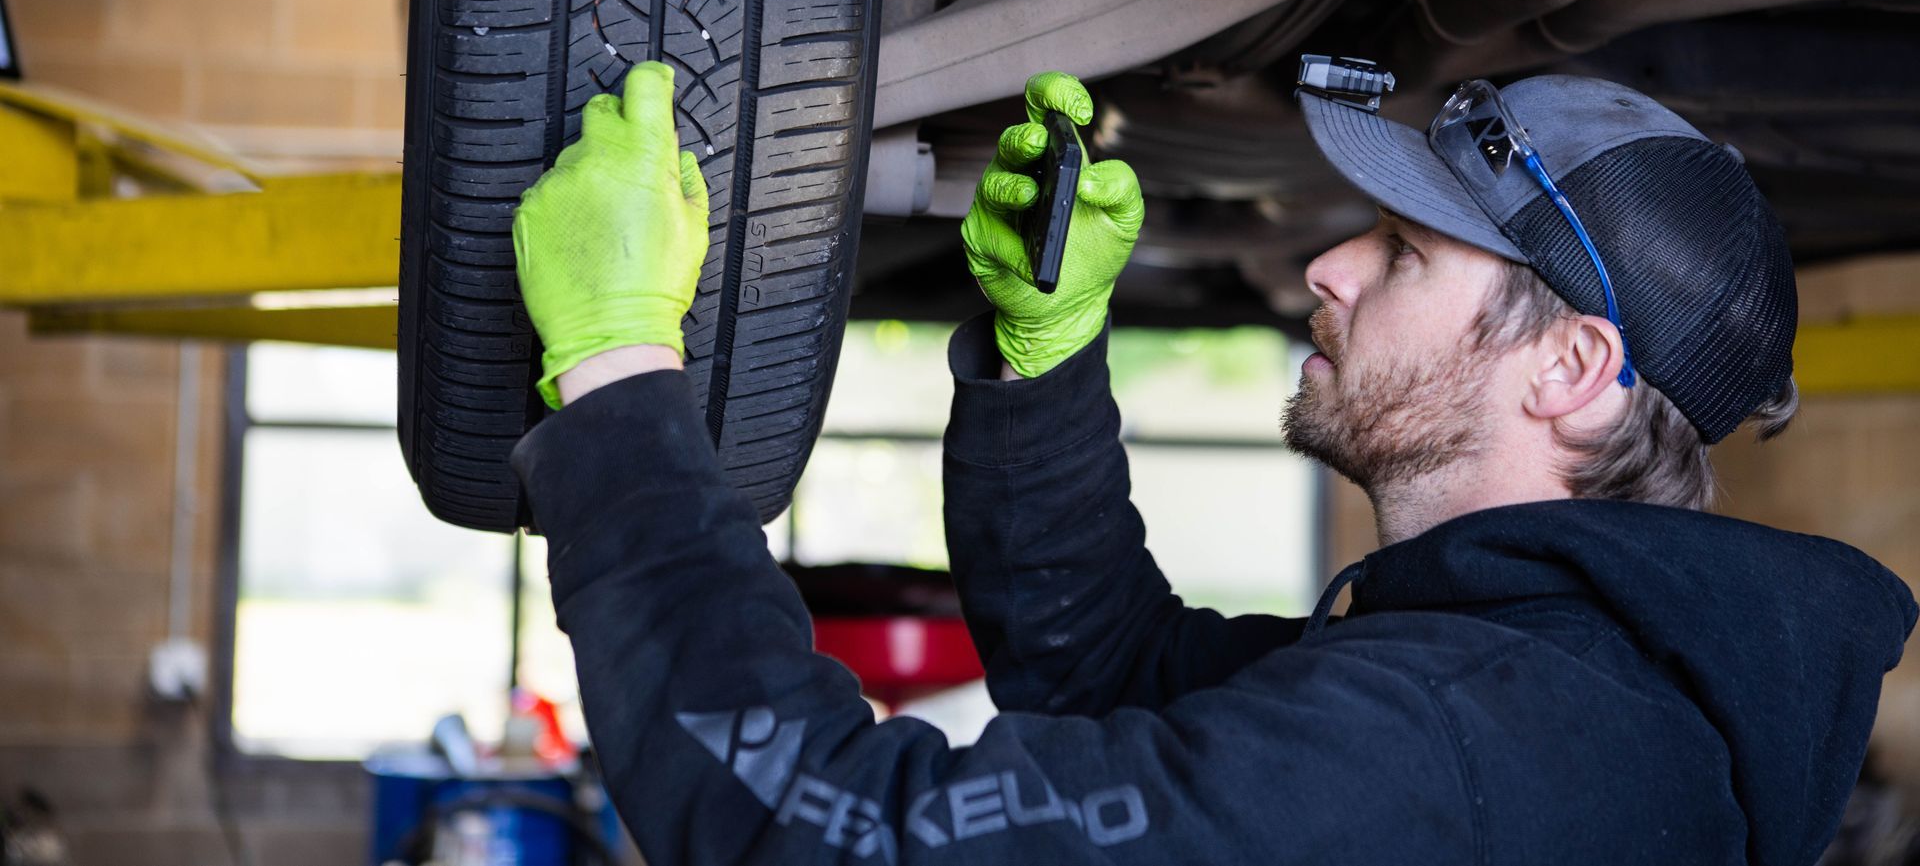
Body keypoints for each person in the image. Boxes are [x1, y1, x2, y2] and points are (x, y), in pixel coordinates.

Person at [509, 60, 1916, 864]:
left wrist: (625, 373)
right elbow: (1114, 676)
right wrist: (1047, 361)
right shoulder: (1551, 681)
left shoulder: (1451, 742)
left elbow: (828, 833)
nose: (1328, 266)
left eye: (1408, 252)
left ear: (1570, 368)